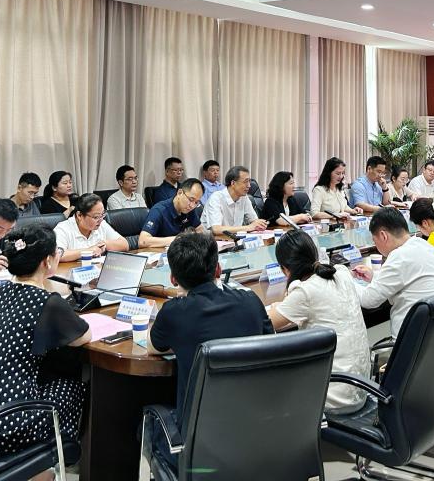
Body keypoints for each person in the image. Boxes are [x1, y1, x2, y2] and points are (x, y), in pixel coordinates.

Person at [0, 222, 90, 466]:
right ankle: (52, 458)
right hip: (7, 425)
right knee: (72, 385)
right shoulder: (47, 301)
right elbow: (84, 336)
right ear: (47, 261)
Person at [149, 232, 273, 472]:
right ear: (218, 269)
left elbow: (154, 346)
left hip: (199, 447)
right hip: (260, 434)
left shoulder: (174, 312)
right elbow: (272, 344)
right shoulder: (251, 302)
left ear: (173, 278)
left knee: (148, 424)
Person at [266, 230, 371, 413]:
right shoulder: (342, 272)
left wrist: (286, 297)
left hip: (334, 398)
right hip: (362, 387)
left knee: (272, 379)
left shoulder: (305, 292)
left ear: (284, 269)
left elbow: (266, 323)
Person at [351, 208, 434, 338]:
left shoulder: (399, 256)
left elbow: (368, 300)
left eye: (374, 240)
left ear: (383, 236)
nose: (375, 244)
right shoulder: (422, 244)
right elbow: (406, 277)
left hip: (415, 339)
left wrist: (345, 279)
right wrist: (374, 276)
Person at [54, 195, 129, 262]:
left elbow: (125, 245)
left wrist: (105, 244)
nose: (100, 220)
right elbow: (57, 254)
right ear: (79, 215)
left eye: (102, 215)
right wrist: (89, 251)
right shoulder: (63, 228)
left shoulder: (101, 224)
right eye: (96, 217)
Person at [201, 165, 269, 235]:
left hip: (233, 238)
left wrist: (259, 224)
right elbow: (216, 229)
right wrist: (249, 227)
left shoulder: (244, 197)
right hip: (212, 239)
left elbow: (254, 220)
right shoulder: (216, 198)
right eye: (245, 182)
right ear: (233, 183)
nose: (249, 186)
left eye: (249, 181)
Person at [138, 178, 204, 248]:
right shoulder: (159, 210)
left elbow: (200, 230)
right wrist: (179, 239)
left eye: (196, 202)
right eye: (191, 199)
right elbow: (142, 241)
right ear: (180, 193)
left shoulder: (189, 209)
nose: (192, 205)